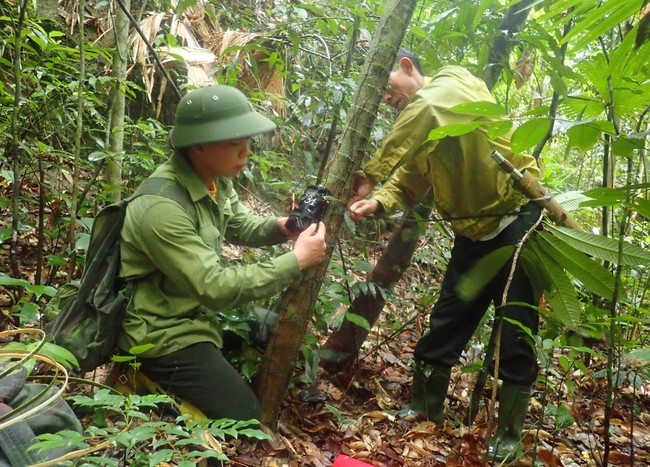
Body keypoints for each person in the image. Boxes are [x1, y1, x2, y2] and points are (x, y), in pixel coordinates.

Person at [348, 49, 543, 462]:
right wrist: (379, 201)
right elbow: (409, 179)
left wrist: (369, 173)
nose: (387, 100)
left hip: (517, 224)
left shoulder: (453, 86)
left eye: (386, 90)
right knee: (447, 321)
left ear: (407, 66)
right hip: (471, 235)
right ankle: (425, 406)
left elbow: (427, 109)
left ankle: (508, 434)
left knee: (516, 332)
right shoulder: (425, 123)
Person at [115, 85, 327, 421]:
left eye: (247, 143)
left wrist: (284, 226)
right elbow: (215, 288)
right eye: (234, 145)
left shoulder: (215, 178)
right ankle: (145, 382)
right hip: (161, 332)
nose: (246, 154)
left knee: (277, 329)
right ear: (198, 145)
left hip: (196, 312)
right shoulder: (160, 208)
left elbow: (241, 225)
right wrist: (297, 260)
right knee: (244, 416)